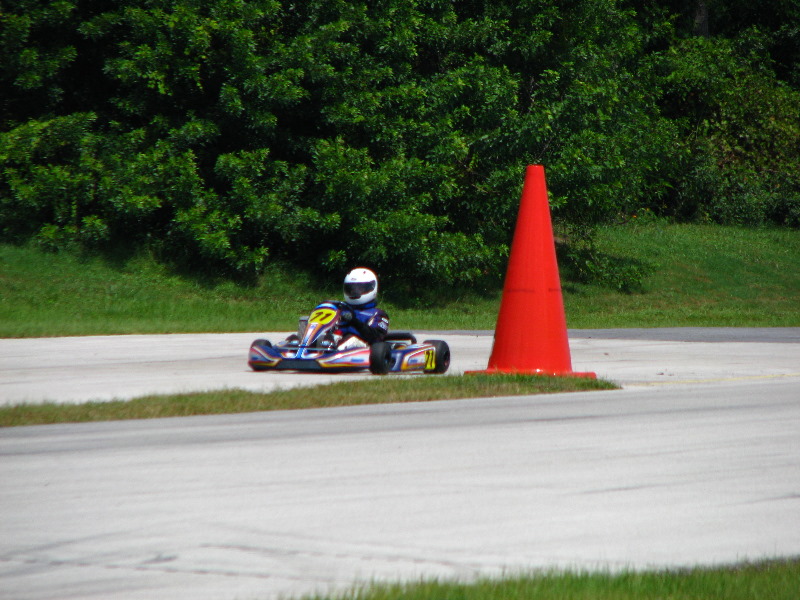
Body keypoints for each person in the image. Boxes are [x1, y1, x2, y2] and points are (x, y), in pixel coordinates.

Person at [335, 267, 389, 348]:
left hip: (363, 346)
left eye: (359, 289)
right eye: (351, 289)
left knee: (352, 340)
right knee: (323, 338)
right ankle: (312, 351)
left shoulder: (377, 314)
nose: (354, 292)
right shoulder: (339, 309)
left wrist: (354, 322)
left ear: (371, 288)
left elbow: (376, 337)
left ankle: (329, 355)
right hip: (335, 340)